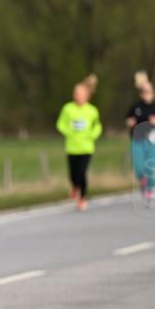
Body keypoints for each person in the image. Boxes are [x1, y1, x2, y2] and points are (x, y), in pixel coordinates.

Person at [55, 74, 102, 212]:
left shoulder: (92, 111)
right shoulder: (67, 109)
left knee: (82, 172)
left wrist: (92, 135)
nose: (78, 96)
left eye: (80, 94)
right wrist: (68, 132)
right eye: (76, 94)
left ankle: (82, 198)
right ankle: (75, 187)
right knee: (72, 174)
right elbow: (60, 124)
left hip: (86, 147)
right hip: (72, 147)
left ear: (86, 95)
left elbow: (98, 126)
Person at [125, 72, 155, 206]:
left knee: (150, 166)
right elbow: (128, 119)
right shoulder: (135, 106)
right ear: (141, 93)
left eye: (149, 91)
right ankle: (143, 182)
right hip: (137, 140)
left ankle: (150, 190)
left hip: (153, 140)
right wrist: (130, 122)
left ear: (153, 93)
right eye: (144, 92)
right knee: (139, 169)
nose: (146, 94)